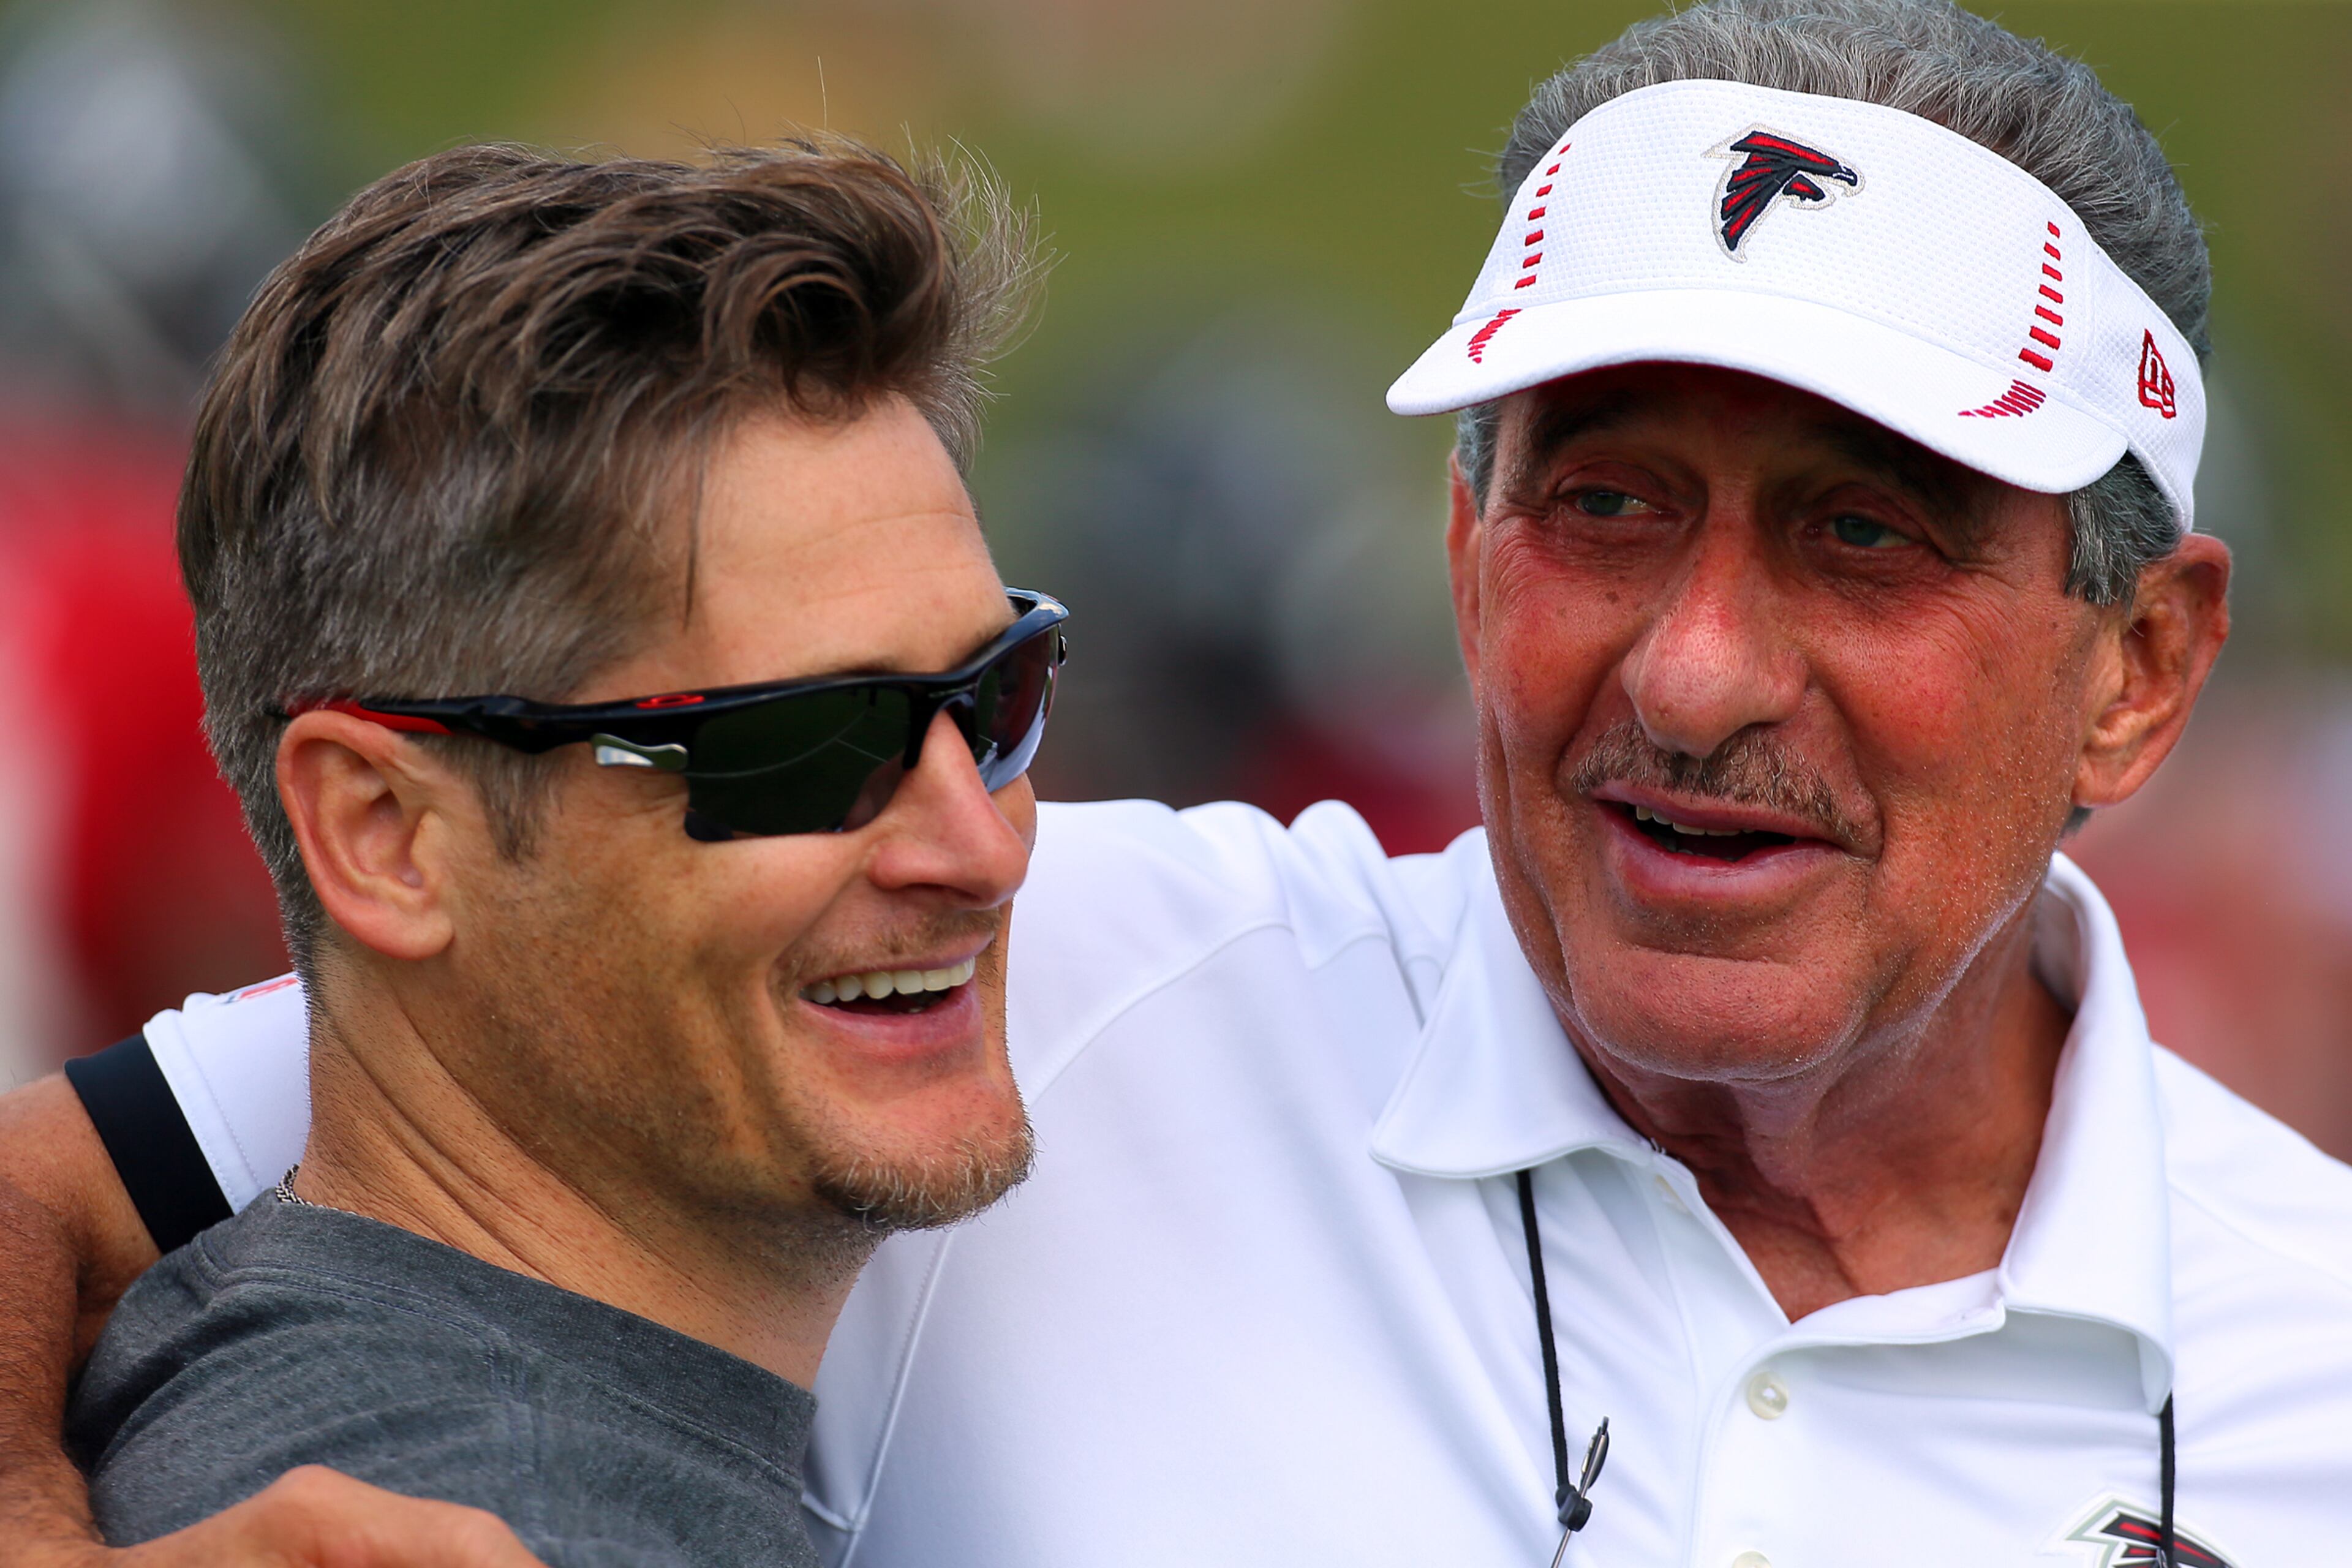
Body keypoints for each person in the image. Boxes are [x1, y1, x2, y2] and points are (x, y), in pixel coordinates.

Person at [6, 1, 2351, 1564]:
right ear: (1459, 553)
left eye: (1866, 537)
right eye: (1604, 504)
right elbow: (88, 1185)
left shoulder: (2316, 1351)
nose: (1701, 670)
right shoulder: (994, 971)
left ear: (2140, 671)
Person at [2, 137, 1062, 1567]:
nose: (980, 843)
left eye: (998, 694)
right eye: (808, 739)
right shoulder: (462, 1518)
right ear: (386, 838)